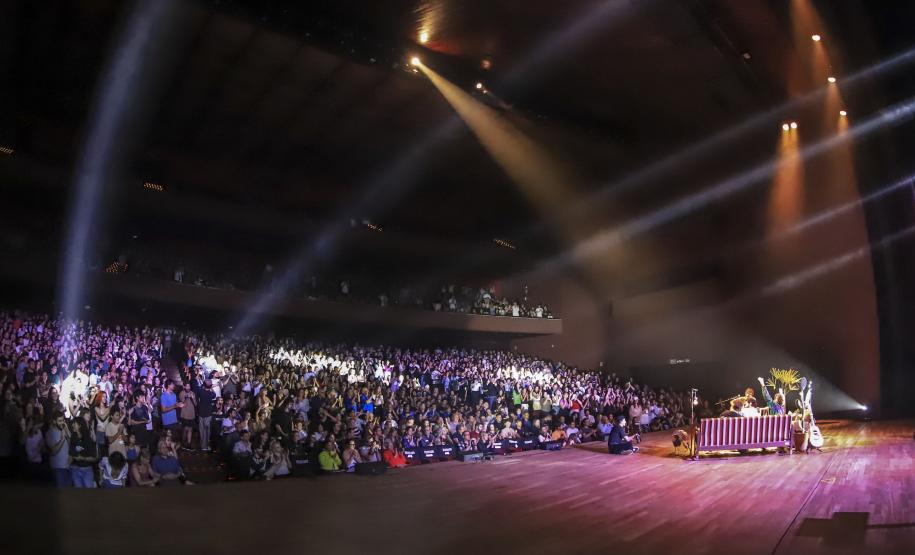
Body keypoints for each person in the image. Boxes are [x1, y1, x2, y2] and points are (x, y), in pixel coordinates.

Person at [46, 412, 71, 487]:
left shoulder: (65, 430)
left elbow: (71, 446)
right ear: (54, 421)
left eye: (63, 420)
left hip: (68, 466)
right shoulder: (50, 433)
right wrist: (62, 439)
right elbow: (53, 451)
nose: (62, 423)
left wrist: (67, 433)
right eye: (60, 421)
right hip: (58, 468)